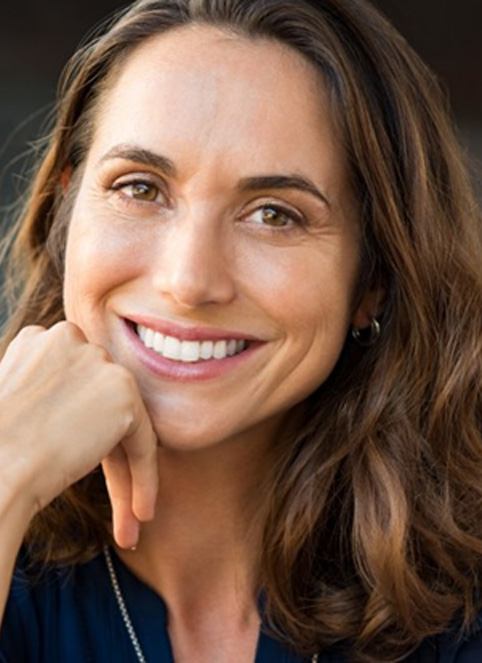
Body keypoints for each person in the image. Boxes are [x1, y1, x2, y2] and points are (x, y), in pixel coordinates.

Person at [0, 0, 481, 660]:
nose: (190, 280)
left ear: (373, 281)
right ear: (65, 213)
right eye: (140, 188)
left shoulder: (461, 609)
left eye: (275, 215)